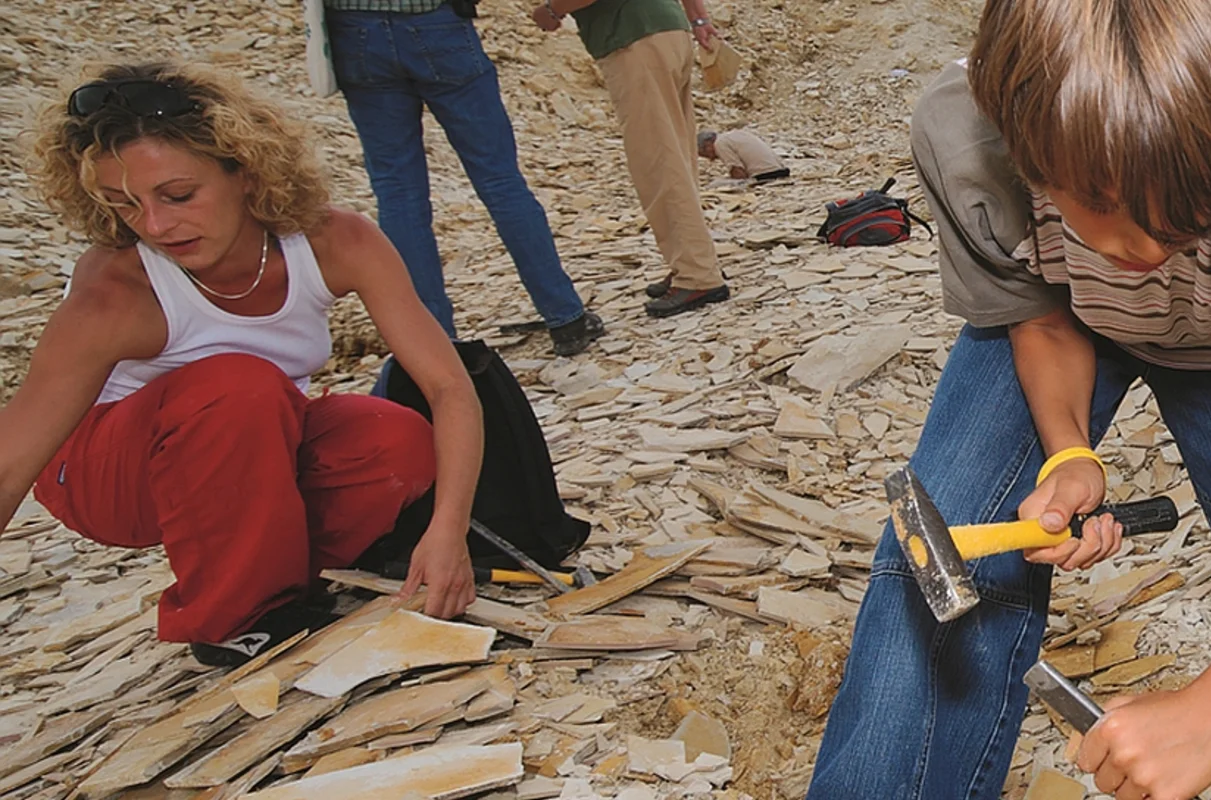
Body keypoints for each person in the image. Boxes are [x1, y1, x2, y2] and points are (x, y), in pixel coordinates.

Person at [805, 1, 1211, 798]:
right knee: (930, 567)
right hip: (1059, 316)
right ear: (1026, 148)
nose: (1145, 252)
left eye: (1184, 225)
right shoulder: (962, 135)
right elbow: (1034, 311)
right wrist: (1070, 452)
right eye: (1107, 210)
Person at [9, 63, 485, 666]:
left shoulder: (336, 242)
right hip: (103, 471)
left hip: (240, 445)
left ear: (246, 169)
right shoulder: (118, 292)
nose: (155, 225)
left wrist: (448, 532)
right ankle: (234, 617)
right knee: (239, 384)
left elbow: (448, 387)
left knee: (393, 440)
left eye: (178, 195)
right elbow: (10, 463)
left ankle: (282, 584)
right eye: (124, 204)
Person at [325, 0, 607, 355]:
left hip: (354, 29)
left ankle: (434, 341)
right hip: (435, 23)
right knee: (500, 179)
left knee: (397, 191)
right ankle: (564, 316)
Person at [531, 0, 731, 318]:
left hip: (634, 39)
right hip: (668, 30)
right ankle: (693, 261)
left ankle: (697, 274)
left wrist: (553, 11)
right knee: (677, 155)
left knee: (658, 160)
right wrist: (698, 19)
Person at [696, 128, 788, 183]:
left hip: (766, 175)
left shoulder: (719, 144)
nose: (710, 159)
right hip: (782, 170)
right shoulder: (735, 134)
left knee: (715, 184)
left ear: (708, 145)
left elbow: (739, 174)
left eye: (706, 154)